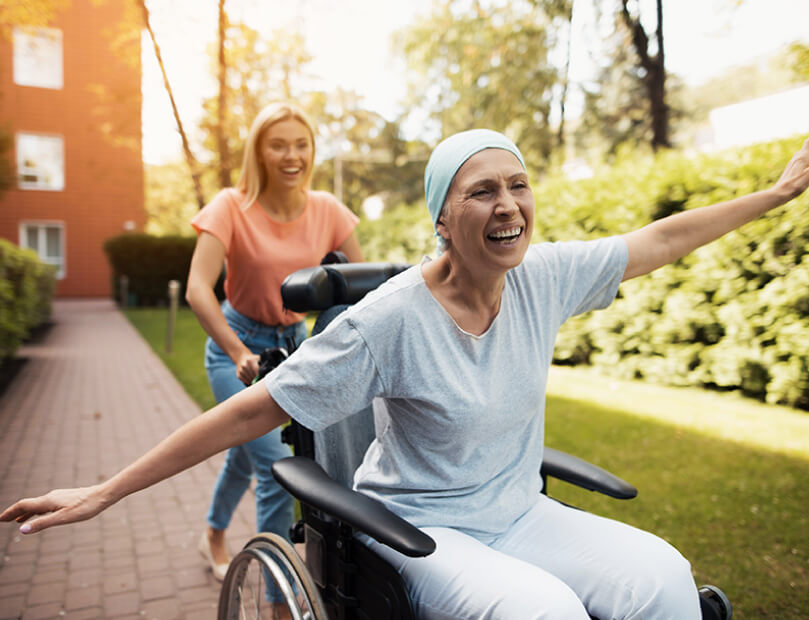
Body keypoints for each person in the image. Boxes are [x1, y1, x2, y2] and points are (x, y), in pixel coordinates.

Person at [3, 130, 808, 619]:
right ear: (442, 218)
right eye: (481, 191)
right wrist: (104, 491)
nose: (508, 206)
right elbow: (252, 413)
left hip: (519, 512)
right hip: (422, 533)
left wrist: (775, 194)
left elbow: (661, 239)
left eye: (518, 186)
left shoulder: (545, 275)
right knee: (546, 611)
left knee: (662, 576)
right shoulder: (387, 319)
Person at [185, 101, 363, 580]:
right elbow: (197, 288)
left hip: (294, 350)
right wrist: (237, 351)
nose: (292, 155)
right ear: (259, 153)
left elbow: (362, 288)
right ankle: (278, 595)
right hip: (236, 351)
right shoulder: (230, 206)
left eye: (301, 145)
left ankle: (213, 535)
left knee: (246, 455)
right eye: (279, 145)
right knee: (277, 468)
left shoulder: (327, 209)